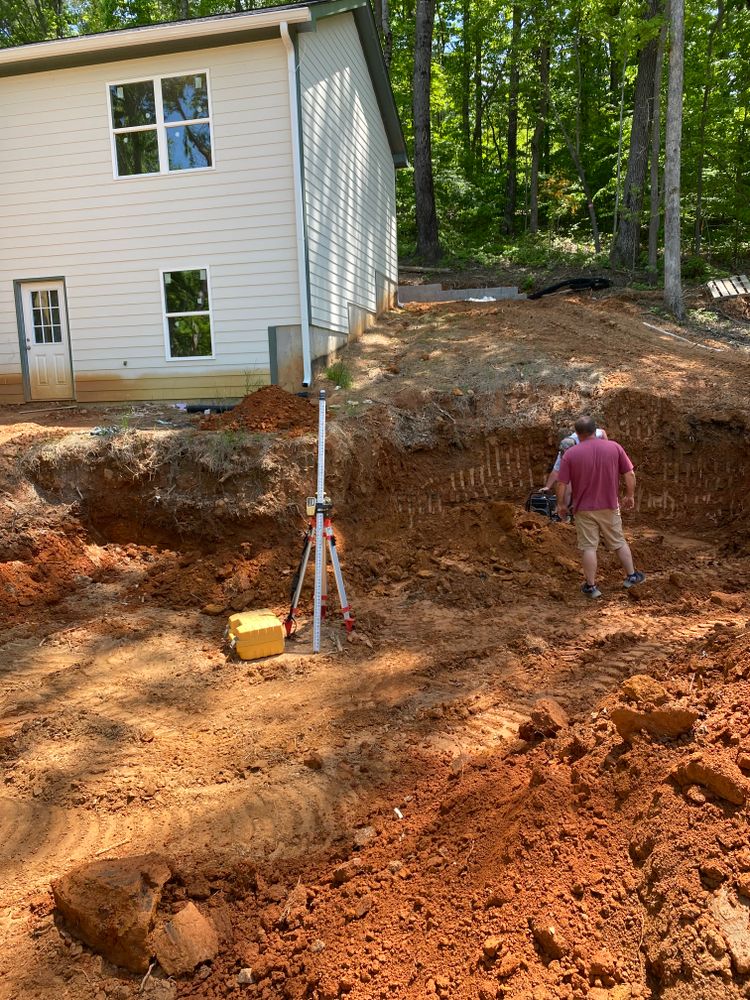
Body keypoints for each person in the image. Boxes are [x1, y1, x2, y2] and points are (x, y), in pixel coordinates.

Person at [554, 415, 645, 599]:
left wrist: (561, 505)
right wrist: (630, 495)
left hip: (583, 509)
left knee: (589, 547)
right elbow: (629, 474)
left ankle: (591, 587)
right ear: (595, 430)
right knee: (619, 542)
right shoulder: (614, 447)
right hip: (609, 505)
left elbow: (561, 484)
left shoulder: (571, 454)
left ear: (577, 434)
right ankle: (631, 576)